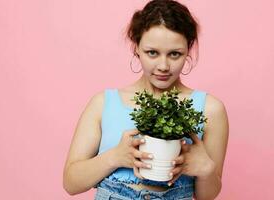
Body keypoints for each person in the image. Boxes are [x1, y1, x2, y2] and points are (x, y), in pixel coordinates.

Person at [63, 0, 229, 199]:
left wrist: (206, 169)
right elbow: (71, 183)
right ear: (136, 48)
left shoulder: (211, 109)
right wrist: (115, 157)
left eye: (175, 54)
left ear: (188, 50)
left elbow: (206, 197)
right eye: (152, 53)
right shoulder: (102, 103)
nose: (163, 66)